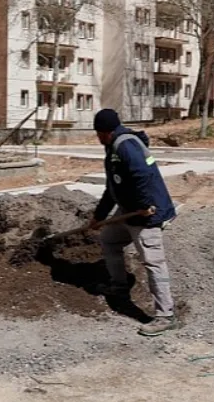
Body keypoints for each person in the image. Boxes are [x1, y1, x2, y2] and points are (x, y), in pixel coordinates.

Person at [88, 108, 179, 337]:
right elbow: (112, 189)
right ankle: (119, 286)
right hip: (129, 209)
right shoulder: (113, 148)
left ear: (104, 132)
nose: (97, 138)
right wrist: (99, 217)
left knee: (153, 262)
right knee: (109, 239)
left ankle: (165, 315)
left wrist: (144, 205)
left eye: (98, 133)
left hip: (147, 212)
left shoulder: (126, 145)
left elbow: (143, 175)